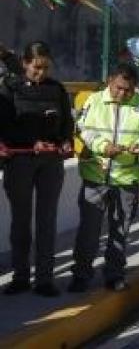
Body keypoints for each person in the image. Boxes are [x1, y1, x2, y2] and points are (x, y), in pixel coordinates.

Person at [70, 63, 139, 293]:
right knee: (89, 231)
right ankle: (81, 274)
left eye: (128, 90)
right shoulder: (94, 100)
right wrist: (103, 146)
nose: (122, 94)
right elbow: (83, 128)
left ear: (135, 87)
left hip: (127, 179)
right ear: (110, 81)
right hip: (95, 176)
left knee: (121, 230)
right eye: (119, 88)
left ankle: (114, 274)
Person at [0, 42, 74, 296]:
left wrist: (65, 141)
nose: (41, 73)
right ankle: (21, 276)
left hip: (50, 163)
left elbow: (67, 123)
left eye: (45, 68)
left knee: (47, 219)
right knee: (21, 220)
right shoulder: (10, 88)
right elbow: (5, 126)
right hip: (20, 161)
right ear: (25, 63)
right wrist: (31, 143)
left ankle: (44, 279)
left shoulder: (57, 89)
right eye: (36, 67)